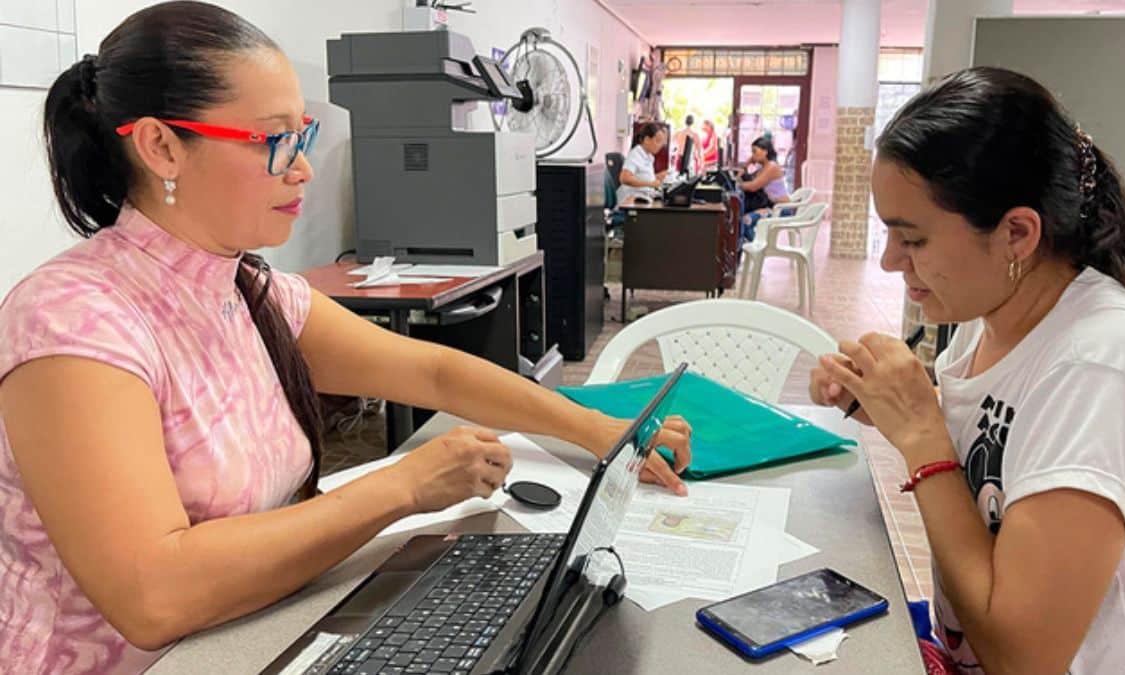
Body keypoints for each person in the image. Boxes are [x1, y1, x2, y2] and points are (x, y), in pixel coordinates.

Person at [0, 3, 693, 673]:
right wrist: (404, 485)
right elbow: (155, 594)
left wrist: (601, 429)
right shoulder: (73, 321)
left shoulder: (246, 288)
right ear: (160, 145)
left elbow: (432, 373)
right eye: (273, 141)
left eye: (300, 137)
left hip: (261, 626)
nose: (301, 168)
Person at [809, 66, 1125, 674]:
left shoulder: (1107, 366)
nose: (890, 262)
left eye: (911, 239)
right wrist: (887, 403)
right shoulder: (984, 327)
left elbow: (1024, 658)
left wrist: (922, 437)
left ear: (1017, 233)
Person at [738, 136, 790, 244]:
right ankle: (752, 247)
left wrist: (738, 185)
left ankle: (758, 249)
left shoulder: (772, 167)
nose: (752, 155)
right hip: (771, 206)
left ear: (765, 151)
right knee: (739, 219)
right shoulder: (763, 168)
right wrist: (748, 163)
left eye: (755, 152)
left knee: (746, 220)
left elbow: (753, 186)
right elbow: (747, 179)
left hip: (781, 209)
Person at [616, 121, 668, 204]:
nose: (660, 146)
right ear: (647, 140)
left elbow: (641, 176)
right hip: (631, 201)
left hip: (642, 197)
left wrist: (658, 176)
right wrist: (651, 184)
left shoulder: (648, 156)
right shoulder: (636, 154)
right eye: (658, 141)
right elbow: (624, 178)